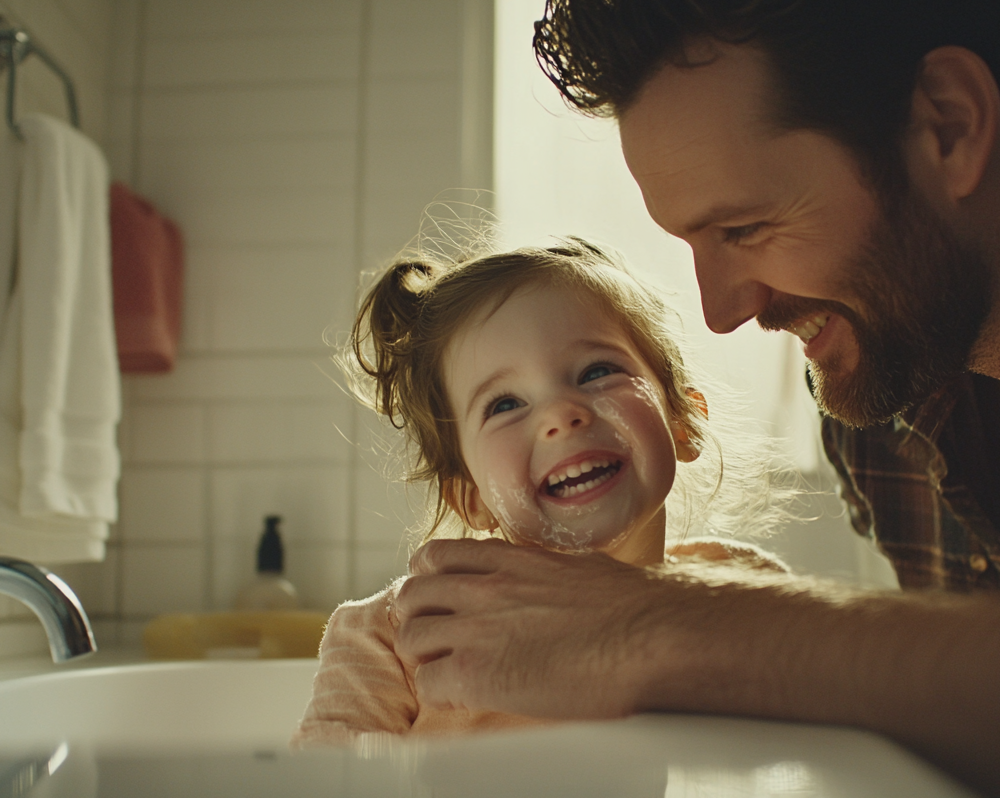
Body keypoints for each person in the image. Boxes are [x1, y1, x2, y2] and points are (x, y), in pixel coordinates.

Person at [388, 0, 1000, 796]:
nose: (720, 312)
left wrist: (657, 632)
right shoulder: (886, 392)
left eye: (745, 226)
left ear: (947, 124)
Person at [293, 239, 793, 744]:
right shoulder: (396, 635)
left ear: (683, 421)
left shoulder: (749, 593)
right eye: (504, 404)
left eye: (596, 372)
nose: (560, 415)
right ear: (471, 497)